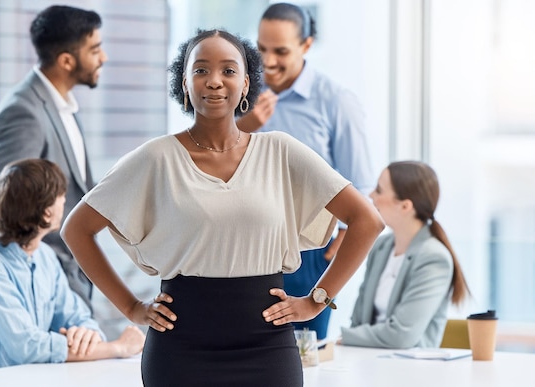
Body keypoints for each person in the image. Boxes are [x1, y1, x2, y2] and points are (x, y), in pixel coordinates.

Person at [61, 29, 384, 387]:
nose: (214, 81)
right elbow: (76, 229)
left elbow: (366, 220)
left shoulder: (280, 151)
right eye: (200, 70)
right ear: (184, 83)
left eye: (228, 71)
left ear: (246, 84)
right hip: (180, 348)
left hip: (267, 346)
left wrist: (317, 300)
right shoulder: (156, 157)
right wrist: (131, 307)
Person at [236, 2, 375, 339]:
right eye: (262, 49)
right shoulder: (243, 95)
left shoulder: (335, 101)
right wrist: (243, 125)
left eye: (280, 51)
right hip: (243, 246)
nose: (268, 61)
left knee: (302, 353)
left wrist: (341, 239)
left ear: (306, 45)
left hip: (308, 251)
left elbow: (361, 182)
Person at [0, 159, 145, 375]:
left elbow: (79, 318)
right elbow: (26, 346)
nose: (65, 202)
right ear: (46, 213)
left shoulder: (45, 257)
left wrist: (86, 334)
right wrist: (117, 348)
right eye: (61, 196)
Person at [0, 5, 108, 311]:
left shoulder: (65, 107)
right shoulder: (23, 113)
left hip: (74, 280)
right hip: (50, 291)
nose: (103, 58)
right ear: (66, 61)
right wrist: (51, 272)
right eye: (95, 49)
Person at [339, 161, 470, 348]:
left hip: (410, 370)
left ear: (405, 206)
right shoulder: (381, 247)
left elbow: (401, 336)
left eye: (379, 190)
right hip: (368, 361)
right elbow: (359, 319)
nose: (371, 195)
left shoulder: (434, 258)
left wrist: (346, 337)